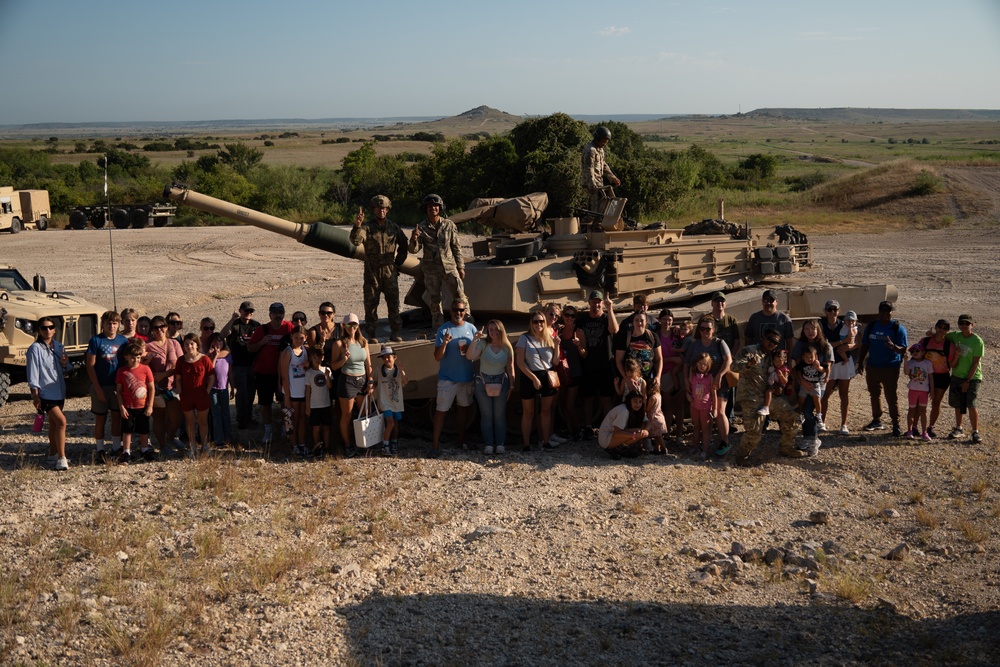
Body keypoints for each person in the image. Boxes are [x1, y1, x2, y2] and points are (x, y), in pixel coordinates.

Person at [730, 330, 808, 461]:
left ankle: (786, 447)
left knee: (791, 417)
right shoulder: (750, 351)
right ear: (763, 338)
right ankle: (741, 457)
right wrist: (749, 364)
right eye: (770, 339)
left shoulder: (774, 356)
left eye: (775, 342)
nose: (772, 343)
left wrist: (778, 388)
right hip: (751, 397)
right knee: (754, 431)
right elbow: (734, 366)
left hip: (769, 396)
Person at [352, 195, 408, 342]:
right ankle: (371, 335)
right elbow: (356, 241)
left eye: (384, 208)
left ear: (387, 209)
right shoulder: (367, 227)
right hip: (372, 271)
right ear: (373, 210)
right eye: (378, 208)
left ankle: (395, 332)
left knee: (393, 303)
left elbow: (404, 245)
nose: (381, 211)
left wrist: (398, 263)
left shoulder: (394, 228)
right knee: (371, 304)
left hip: (390, 269)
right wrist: (357, 225)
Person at [408, 194, 468, 329]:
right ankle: (438, 325)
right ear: (425, 209)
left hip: (449, 267)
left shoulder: (449, 225)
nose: (432, 208)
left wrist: (461, 267)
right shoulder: (421, 228)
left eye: (435, 206)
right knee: (434, 299)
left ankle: (466, 321)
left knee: (459, 295)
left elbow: (456, 247)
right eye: (429, 206)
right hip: (431, 270)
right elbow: (413, 250)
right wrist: (414, 239)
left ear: (440, 208)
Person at [429, 299, 477, 457]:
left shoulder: (471, 328)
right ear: (450, 311)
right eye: (456, 310)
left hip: (466, 377)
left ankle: (461, 440)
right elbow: (437, 357)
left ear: (465, 312)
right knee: (441, 411)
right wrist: (444, 343)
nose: (459, 313)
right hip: (447, 379)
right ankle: (435, 445)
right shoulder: (443, 330)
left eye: (461, 310)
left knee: (463, 410)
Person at [27, 317, 72, 471]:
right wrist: (35, 395)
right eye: (44, 328)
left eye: (50, 327)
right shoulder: (35, 349)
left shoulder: (59, 346)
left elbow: (67, 368)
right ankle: (62, 457)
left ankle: (53, 453)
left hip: (59, 390)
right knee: (61, 422)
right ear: (39, 330)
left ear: (55, 329)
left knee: (54, 424)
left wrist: (65, 364)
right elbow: (33, 372)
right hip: (45, 392)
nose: (48, 330)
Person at [682, 315, 732, 455]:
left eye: (708, 329)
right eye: (702, 328)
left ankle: (725, 441)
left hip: (718, 383)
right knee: (702, 418)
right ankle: (704, 442)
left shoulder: (719, 343)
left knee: (719, 412)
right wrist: (686, 381)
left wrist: (719, 375)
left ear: (713, 329)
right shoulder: (694, 344)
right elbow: (686, 363)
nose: (705, 331)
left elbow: (728, 361)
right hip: (699, 386)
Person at [857, 300, 908, 437]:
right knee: (874, 394)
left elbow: (903, 350)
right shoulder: (872, 326)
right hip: (873, 366)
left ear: (892, 312)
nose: (884, 314)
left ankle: (896, 423)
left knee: (891, 396)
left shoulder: (897, 328)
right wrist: (860, 362)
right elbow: (865, 345)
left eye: (887, 311)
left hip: (890, 367)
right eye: (882, 311)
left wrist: (894, 347)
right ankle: (876, 420)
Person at [247, 302, 294, 446]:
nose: (278, 315)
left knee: (284, 403)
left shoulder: (289, 328)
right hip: (264, 373)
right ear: (270, 314)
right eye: (275, 313)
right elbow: (250, 348)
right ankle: (268, 430)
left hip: (284, 373)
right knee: (265, 403)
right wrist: (262, 342)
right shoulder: (262, 330)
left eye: (280, 312)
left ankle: (285, 429)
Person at [467, 319, 515, 455]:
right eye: (491, 329)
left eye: (496, 329)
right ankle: (488, 444)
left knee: (499, 415)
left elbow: (510, 367)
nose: (493, 332)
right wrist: (475, 339)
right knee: (487, 415)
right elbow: (470, 356)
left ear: (501, 330)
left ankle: (500, 444)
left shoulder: (507, 347)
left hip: (501, 382)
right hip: (483, 382)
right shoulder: (483, 344)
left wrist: (512, 385)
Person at [86, 310, 128, 462]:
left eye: (115, 323)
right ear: (103, 324)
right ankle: (100, 449)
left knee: (117, 417)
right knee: (100, 418)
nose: (112, 326)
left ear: (118, 325)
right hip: (101, 384)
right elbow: (90, 365)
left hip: (117, 386)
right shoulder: (96, 341)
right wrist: (97, 388)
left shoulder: (123, 341)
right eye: (109, 323)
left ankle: (116, 447)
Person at [517, 310, 561, 451]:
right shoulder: (524, 338)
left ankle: (546, 441)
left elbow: (555, 361)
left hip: (546, 375)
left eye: (541, 321)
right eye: (536, 321)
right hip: (529, 376)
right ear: (531, 323)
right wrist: (534, 378)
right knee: (528, 412)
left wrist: (557, 345)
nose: (539, 324)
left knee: (546, 411)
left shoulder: (549, 337)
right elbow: (520, 362)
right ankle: (526, 443)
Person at [577, 290, 619, 438]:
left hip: (605, 364)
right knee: (587, 399)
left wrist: (610, 308)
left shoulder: (607, 318)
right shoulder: (582, 320)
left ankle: (607, 426)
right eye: (593, 301)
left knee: (606, 398)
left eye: (598, 302)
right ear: (589, 303)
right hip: (588, 364)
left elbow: (614, 330)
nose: (596, 304)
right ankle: (588, 426)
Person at [331, 314, 372, 456]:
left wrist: (370, 381)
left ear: (358, 326)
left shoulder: (363, 342)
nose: (352, 327)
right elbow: (334, 366)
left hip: (362, 381)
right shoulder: (339, 344)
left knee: (364, 414)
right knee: (347, 415)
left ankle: (364, 442)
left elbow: (368, 365)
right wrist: (344, 359)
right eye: (348, 325)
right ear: (344, 326)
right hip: (347, 381)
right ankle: (348, 445)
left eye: (354, 324)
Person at [145, 315, 184, 456]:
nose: (159, 329)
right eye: (156, 327)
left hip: (172, 386)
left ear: (166, 327)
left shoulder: (174, 344)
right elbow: (143, 367)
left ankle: (170, 436)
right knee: (159, 418)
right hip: (156, 389)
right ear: (152, 329)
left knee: (177, 417)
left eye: (162, 326)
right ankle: (163, 445)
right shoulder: (147, 346)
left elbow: (181, 365)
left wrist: (165, 374)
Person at [220, 301, 260, 431]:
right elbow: (222, 335)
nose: (249, 313)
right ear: (240, 311)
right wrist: (232, 320)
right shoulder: (235, 325)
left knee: (251, 394)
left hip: (252, 365)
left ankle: (249, 417)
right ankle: (241, 419)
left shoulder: (256, 326)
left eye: (251, 311)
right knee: (242, 394)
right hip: (238, 366)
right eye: (246, 311)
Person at [175, 332, 214, 457]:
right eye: (186, 344)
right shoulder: (181, 360)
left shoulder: (204, 359)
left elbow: (212, 377)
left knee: (203, 421)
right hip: (187, 396)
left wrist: (207, 391)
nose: (189, 347)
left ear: (197, 345)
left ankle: (205, 446)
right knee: (190, 422)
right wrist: (180, 392)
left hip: (202, 395)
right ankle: (192, 447)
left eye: (192, 344)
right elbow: (178, 378)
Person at [115, 341, 155, 464]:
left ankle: (144, 450)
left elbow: (151, 388)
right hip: (128, 406)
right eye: (133, 358)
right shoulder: (122, 371)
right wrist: (121, 407)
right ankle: (126, 452)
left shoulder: (146, 369)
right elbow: (119, 391)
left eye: (138, 357)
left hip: (142, 406)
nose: (136, 360)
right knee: (127, 430)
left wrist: (150, 405)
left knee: (143, 429)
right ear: (126, 357)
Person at [791, 319, 834, 432]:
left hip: (818, 383)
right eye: (807, 329)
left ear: (818, 330)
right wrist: (802, 381)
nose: (810, 332)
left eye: (813, 329)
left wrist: (822, 372)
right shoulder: (800, 344)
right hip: (803, 381)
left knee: (808, 410)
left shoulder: (825, 345)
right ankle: (808, 436)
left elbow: (828, 366)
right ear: (803, 331)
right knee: (805, 410)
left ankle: (811, 437)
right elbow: (797, 365)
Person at [946, 314, 983, 443]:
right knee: (958, 403)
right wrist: (931, 334)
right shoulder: (955, 336)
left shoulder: (977, 341)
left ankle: (975, 431)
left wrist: (967, 381)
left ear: (972, 325)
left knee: (971, 404)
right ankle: (959, 428)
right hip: (957, 375)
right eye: (961, 323)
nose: (964, 326)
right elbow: (941, 335)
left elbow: (975, 363)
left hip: (972, 377)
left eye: (967, 324)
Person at [919, 319, 957, 438]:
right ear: (935, 327)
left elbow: (952, 363)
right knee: (920, 402)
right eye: (939, 327)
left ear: (947, 331)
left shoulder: (948, 345)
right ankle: (914, 427)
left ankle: (930, 427)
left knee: (936, 402)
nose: (941, 330)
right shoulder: (925, 341)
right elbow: (916, 355)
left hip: (941, 377)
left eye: (944, 328)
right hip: (924, 376)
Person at [825, 309, 860, 435]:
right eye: (830, 310)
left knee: (844, 393)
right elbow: (826, 345)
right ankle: (821, 421)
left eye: (835, 310)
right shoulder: (822, 324)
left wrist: (850, 346)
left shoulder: (842, 325)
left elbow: (856, 341)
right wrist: (842, 343)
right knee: (826, 393)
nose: (832, 312)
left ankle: (844, 424)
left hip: (842, 362)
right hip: (830, 362)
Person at [556, 305, 586, 441]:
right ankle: (570, 430)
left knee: (569, 404)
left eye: (572, 315)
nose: (569, 318)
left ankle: (577, 429)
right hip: (561, 372)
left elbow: (585, 355)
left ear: (575, 317)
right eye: (567, 315)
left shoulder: (578, 332)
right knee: (563, 403)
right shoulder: (560, 332)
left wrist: (579, 345)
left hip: (574, 372)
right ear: (563, 316)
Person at [279, 326, 309, 457]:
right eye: (296, 337)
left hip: (303, 392)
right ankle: (293, 445)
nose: (298, 340)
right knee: (292, 420)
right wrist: (287, 397)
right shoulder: (287, 352)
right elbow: (284, 376)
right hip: (292, 392)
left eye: (301, 338)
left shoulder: (305, 351)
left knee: (302, 419)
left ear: (305, 338)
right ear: (291, 336)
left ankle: (302, 444)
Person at [711, 292, 740, 424]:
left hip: (728, 361)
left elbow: (736, 340)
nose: (719, 303)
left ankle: (729, 420)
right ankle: (712, 420)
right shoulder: (707, 319)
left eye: (722, 301)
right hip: (711, 362)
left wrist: (731, 358)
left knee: (730, 390)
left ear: (725, 304)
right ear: (712, 303)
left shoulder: (731, 319)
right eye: (717, 301)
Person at [614, 311, 662, 387]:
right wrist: (626, 378)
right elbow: (619, 360)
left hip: (649, 379)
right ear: (632, 322)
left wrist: (658, 377)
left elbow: (659, 359)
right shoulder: (625, 338)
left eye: (642, 320)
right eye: (636, 320)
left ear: (646, 322)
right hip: (632, 380)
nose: (639, 323)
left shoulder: (653, 337)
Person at [375, 344, 407, 457]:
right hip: (385, 402)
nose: (386, 359)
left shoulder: (398, 370)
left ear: (395, 357)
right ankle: (385, 445)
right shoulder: (379, 370)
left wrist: (402, 372)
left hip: (396, 403)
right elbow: (373, 381)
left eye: (389, 357)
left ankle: (394, 443)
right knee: (390, 423)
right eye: (384, 358)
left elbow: (405, 382)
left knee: (396, 424)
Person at [581, 125, 621, 215]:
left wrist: (613, 178)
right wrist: (592, 184)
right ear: (597, 138)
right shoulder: (590, 150)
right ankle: (591, 226)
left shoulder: (600, 150)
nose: (604, 144)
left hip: (598, 182)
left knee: (602, 205)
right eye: (603, 141)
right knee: (595, 208)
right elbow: (589, 168)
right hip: (590, 183)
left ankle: (598, 224)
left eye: (606, 142)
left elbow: (604, 165)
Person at [597, 391, 647, 460]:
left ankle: (619, 449)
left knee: (639, 431)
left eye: (640, 402)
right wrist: (634, 436)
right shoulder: (624, 410)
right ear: (629, 401)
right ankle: (616, 449)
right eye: (635, 401)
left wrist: (645, 430)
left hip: (612, 435)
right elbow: (616, 432)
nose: (638, 404)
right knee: (638, 432)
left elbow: (648, 422)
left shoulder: (635, 409)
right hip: (606, 438)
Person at [688, 353, 716, 460]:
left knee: (705, 429)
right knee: (696, 426)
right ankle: (695, 446)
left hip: (706, 406)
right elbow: (689, 388)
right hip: (694, 405)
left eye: (705, 364)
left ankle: (704, 450)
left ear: (708, 365)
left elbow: (713, 393)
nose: (702, 366)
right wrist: (688, 395)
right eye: (700, 363)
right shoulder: (693, 375)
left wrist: (715, 408)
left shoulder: (710, 377)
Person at [207, 333, 233, 448]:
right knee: (216, 414)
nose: (218, 343)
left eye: (220, 341)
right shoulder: (209, 356)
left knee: (226, 413)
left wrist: (233, 386)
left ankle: (228, 438)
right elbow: (210, 370)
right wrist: (215, 356)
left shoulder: (227, 355)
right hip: (213, 388)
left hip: (224, 387)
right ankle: (218, 439)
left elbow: (230, 372)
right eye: (215, 341)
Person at [904, 343, 933, 441]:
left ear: (923, 352)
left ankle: (924, 432)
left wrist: (932, 390)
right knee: (911, 410)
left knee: (923, 411)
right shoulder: (910, 363)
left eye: (917, 351)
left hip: (924, 391)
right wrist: (905, 360)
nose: (915, 353)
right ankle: (909, 430)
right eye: (913, 351)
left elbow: (931, 377)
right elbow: (906, 372)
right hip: (913, 390)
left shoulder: (928, 363)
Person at [307, 301, 342, 367]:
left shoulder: (340, 328)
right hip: (321, 368)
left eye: (329, 313)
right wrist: (321, 341)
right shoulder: (313, 331)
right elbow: (313, 354)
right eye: (323, 313)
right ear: (319, 314)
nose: (326, 315)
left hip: (338, 367)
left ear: (333, 314)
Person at [758, 348, 790, 417]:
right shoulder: (773, 368)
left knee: (769, 392)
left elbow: (785, 381)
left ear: (784, 360)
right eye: (775, 361)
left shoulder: (784, 370)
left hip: (780, 386)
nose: (777, 363)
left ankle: (766, 407)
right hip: (772, 384)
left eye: (780, 361)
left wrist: (781, 376)